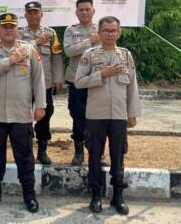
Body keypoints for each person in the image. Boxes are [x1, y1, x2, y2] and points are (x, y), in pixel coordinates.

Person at [0, 13, 46, 213]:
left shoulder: (29, 49)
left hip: (21, 114)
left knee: (25, 157)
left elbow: (38, 79)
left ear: (18, 29)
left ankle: (29, 195)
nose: (8, 30)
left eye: (12, 26)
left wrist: (40, 105)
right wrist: (10, 60)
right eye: (4, 26)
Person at [75, 16, 141, 215]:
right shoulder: (90, 54)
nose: (110, 34)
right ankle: (96, 195)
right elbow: (79, 82)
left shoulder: (126, 55)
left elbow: (132, 87)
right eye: (106, 30)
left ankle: (118, 196)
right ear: (99, 32)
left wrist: (132, 113)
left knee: (118, 156)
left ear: (119, 33)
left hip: (119, 116)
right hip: (96, 115)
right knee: (95, 156)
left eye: (114, 31)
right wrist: (101, 74)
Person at [17, 1, 64, 165]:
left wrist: (58, 78)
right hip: (23, 82)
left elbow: (57, 58)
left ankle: (42, 149)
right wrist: (36, 41)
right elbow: (16, 53)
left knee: (45, 115)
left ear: (41, 14)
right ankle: (26, 149)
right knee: (23, 116)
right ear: (25, 15)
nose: (33, 15)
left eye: (36, 12)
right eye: (30, 13)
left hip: (45, 83)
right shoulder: (18, 33)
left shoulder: (51, 34)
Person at [63, 0, 100, 166]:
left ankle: (97, 152)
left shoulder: (102, 29)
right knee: (78, 116)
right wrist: (89, 42)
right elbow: (69, 51)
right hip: (76, 80)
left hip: (98, 80)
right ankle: (79, 152)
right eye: (81, 10)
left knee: (98, 117)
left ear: (93, 11)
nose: (84, 12)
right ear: (76, 12)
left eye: (87, 9)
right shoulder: (71, 30)